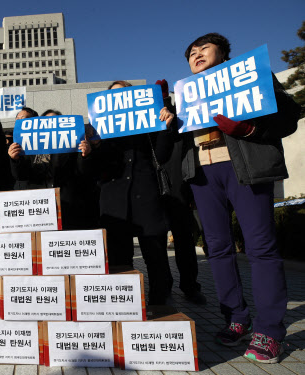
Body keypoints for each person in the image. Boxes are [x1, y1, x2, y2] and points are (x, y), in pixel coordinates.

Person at [181, 33, 300, 363]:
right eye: (191, 53)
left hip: (243, 167)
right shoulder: (186, 96)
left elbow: (289, 115)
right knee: (216, 249)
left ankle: (269, 331)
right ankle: (236, 319)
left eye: (203, 48)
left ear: (223, 53)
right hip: (203, 174)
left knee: (260, 247)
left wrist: (250, 131)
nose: (196, 54)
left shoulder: (252, 76)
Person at [88, 80, 176, 305]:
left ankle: (161, 300)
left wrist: (165, 127)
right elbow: (95, 169)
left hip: (146, 196)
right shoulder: (100, 130)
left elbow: (163, 155)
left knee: (155, 255)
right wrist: (92, 148)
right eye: (114, 96)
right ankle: (125, 305)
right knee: (118, 258)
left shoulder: (149, 124)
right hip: (113, 200)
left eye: (124, 94)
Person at [156, 79, 207, 305]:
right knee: (155, 243)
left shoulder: (177, 117)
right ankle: (163, 287)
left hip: (176, 184)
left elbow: (182, 139)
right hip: (149, 186)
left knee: (184, 241)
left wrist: (166, 104)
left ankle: (189, 286)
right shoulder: (133, 122)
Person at [8, 108, 98, 229]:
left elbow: (83, 172)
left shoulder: (72, 146)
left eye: (55, 121)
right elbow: (21, 176)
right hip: (37, 207)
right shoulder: (28, 148)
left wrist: (85, 155)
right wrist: (15, 159)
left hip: (67, 206)